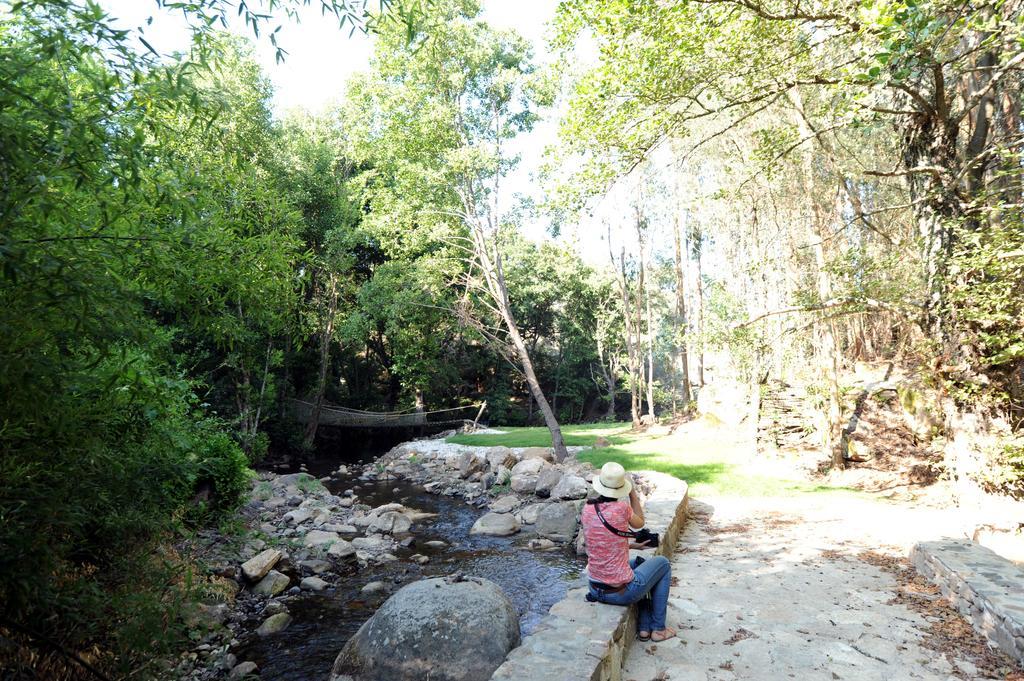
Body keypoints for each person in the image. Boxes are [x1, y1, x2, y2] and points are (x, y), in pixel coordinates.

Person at [581, 461, 676, 642]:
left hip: (594, 588)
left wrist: (632, 546)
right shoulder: (622, 508)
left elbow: (601, 543)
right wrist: (632, 492)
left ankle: (644, 627)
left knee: (641, 564)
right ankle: (658, 629)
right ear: (621, 488)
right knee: (662, 564)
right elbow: (640, 522)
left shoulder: (588, 508)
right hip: (620, 592)